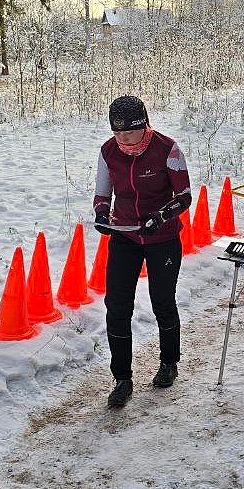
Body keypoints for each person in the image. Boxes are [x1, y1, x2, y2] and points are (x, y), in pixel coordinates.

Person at [93, 95, 192, 408]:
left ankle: (169, 362)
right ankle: (122, 379)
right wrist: (100, 214)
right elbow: (102, 193)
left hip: (161, 237)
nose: (122, 138)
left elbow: (185, 196)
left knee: (162, 301)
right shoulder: (109, 151)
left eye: (128, 132)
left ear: (144, 125)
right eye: (116, 132)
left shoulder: (167, 148)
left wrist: (160, 217)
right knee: (117, 306)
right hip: (125, 237)